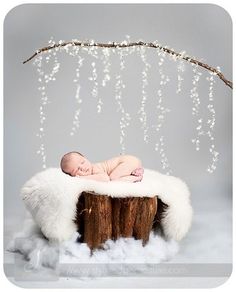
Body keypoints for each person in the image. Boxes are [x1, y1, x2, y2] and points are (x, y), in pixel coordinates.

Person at [60, 151, 144, 183]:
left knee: (113, 178)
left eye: (82, 162)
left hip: (128, 161)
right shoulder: (92, 173)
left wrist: (81, 178)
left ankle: (136, 177)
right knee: (115, 178)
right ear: (72, 176)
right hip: (130, 162)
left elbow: (104, 178)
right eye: (77, 169)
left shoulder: (95, 168)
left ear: (86, 158)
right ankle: (134, 172)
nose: (82, 168)